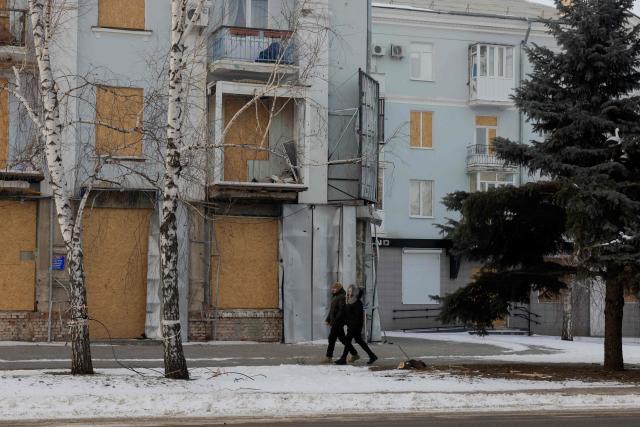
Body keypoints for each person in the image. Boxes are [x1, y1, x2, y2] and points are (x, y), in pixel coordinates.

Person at [335, 285, 378, 365]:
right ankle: (372, 356)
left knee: (347, 341)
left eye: (351, 291)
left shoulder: (357, 302)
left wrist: (351, 324)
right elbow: (348, 314)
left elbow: (357, 316)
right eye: (349, 291)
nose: (349, 292)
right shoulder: (351, 301)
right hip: (351, 325)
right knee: (359, 341)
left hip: (354, 326)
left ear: (355, 292)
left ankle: (343, 359)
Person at [325, 282, 358, 363]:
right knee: (343, 339)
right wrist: (328, 319)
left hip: (338, 322)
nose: (333, 289)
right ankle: (355, 354)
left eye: (334, 288)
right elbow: (332, 310)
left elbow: (341, 310)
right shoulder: (336, 296)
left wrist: (335, 320)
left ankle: (328, 357)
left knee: (331, 338)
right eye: (332, 288)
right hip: (336, 321)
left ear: (339, 288)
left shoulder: (342, 297)